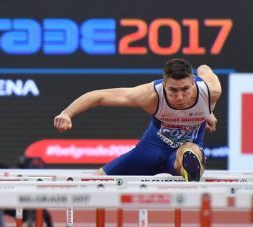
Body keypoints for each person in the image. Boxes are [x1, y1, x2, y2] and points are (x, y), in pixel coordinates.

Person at [53, 58, 221, 181]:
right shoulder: (149, 95)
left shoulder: (211, 91)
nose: (180, 97)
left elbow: (205, 68)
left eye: (185, 89)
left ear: (193, 83)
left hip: (182, 152)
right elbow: (98, 96)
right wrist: (67, 113)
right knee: (95, 182)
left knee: (190, 151)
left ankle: (191, 169)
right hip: (149, 150)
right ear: (163, 86)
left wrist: (207, 112)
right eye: (173, 90)